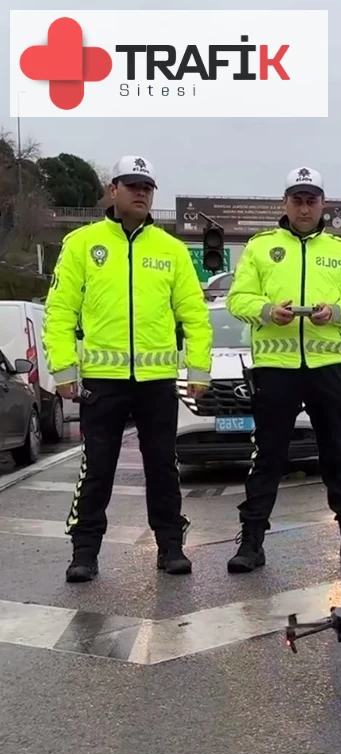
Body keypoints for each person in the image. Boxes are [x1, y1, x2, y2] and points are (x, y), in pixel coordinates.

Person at [42, 155, 213, 583]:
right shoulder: (82, 244)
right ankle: (84, 551)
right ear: (112, 190)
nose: (141, 193)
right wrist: (64, 369)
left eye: (147, 187)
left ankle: (171, 546)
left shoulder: (171, 250)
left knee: (162, 465)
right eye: (132, 185)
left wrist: (199, 371)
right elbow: (60, 310)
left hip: (156, 381)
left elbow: (194, 314)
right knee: (97, 466)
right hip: (102, 381)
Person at [224, 166, 341, 573]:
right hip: (276, 368)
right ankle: (252, 542)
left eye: (312, 200)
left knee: (339, 457)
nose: (305, 207)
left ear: (323, 204)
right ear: (285, 203)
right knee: (267, 457)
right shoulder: (260, 247)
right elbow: (237, 299)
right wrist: (266, 311)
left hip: (328, 366)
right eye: (298, 199)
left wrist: (337, 313)